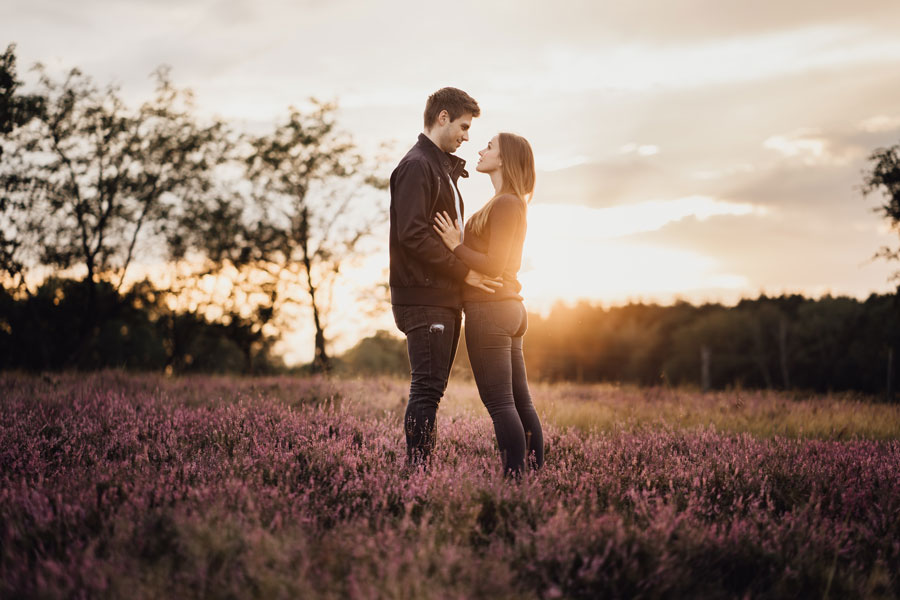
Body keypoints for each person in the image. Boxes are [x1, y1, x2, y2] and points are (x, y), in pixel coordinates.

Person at [389, 87, 501, 467]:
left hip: (440, 296)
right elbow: (413, 234)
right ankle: (417, 475)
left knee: (431, 391)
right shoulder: (417, 166)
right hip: (424, 297)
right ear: (442, 118)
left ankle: (420, 472)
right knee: (426, 391)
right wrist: (465, 272)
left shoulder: (439, 168)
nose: (467, 137)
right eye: (464, 126)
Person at [432, 132, 544, 476]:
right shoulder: (505, 202)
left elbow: (496, 264)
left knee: (501, 403)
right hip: (506, 308)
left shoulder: (508, 202)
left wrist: (455, 245)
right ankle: (534, 473)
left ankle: (515, 479)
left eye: (490, 147)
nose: (480, 150)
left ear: (505, 159)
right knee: (519, 402)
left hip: (491, 310)